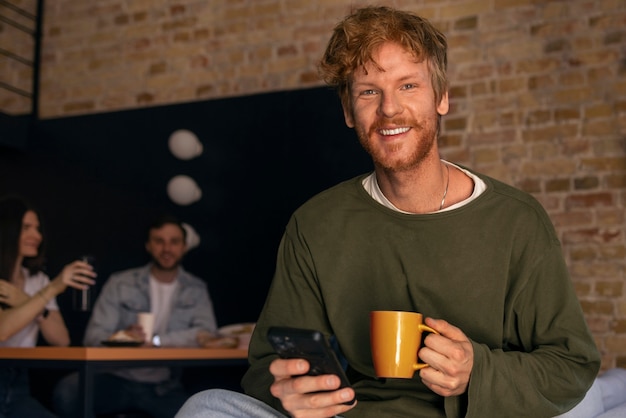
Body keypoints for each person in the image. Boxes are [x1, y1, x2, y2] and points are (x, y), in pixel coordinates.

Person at [175, 6, 600, 418]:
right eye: (368, 91)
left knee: (595, 399)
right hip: (356, 415)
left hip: (478, 413)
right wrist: (289, 391)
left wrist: (476, 370)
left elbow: (571, 366)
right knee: (204, 408)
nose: (389, 109)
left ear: (442, 98)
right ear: (348, 111)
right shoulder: (316, 223)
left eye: (408, 86)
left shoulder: (517, 220)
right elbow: (266, 367)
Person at [53, 215, 218, 418]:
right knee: (67, 392)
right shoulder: (121, 282)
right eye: (159, 241)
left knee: (206, 411)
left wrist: (157, 342)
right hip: (116, 377)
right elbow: (93, 337)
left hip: (163, 385)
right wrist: (124, 338)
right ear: (148, 246)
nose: (167, 249)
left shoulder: (196, 288)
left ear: (184, 246)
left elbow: (208, 334)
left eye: (174, 242)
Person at [0, 196, 95, 418]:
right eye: (26, 228)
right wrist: (53, 288)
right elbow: (2, 330)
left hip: (19, 386)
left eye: (38, 228)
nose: (37, 236)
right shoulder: (46, 286)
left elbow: (61, 339)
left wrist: (25, 300)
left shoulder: (37, 281)